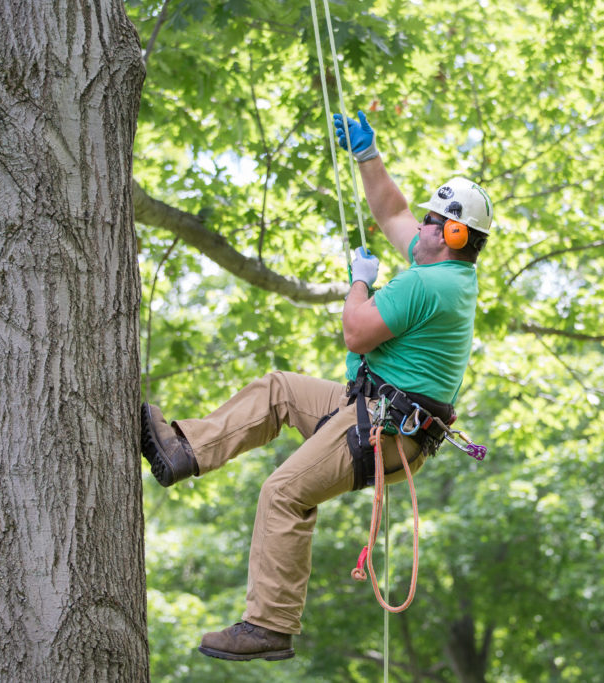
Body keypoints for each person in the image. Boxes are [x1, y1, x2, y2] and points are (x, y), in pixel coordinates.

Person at [139, 110, 494, 662]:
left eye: (431, 221)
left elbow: (356, 333)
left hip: (383, 431)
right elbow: (392, 211)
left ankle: (269, 624)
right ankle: (184, 450)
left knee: (283, 492)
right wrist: (366, 156)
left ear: (451, 233)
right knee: (278, 389)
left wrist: (360, 279)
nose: (417, 226)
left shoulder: (429, 285)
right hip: (376, 412)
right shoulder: (447, 271)